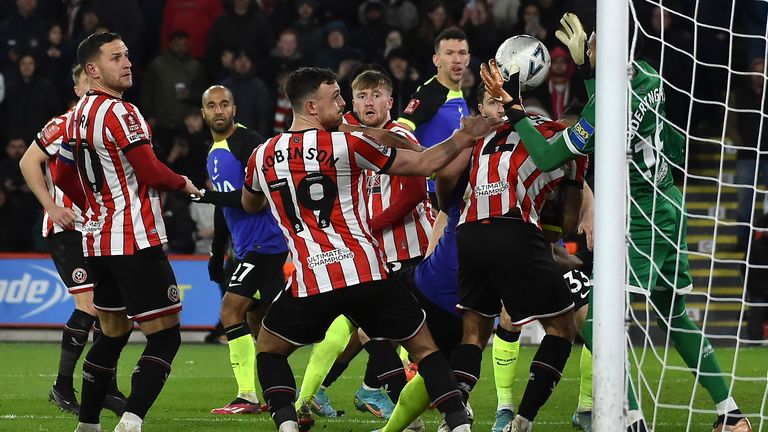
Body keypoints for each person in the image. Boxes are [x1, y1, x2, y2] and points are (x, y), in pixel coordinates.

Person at [505, 13, 752, 432]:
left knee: (598, 322)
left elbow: (548, 157)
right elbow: (655, 131)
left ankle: (632, 420)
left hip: (638, 218)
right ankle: (731, 415)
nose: (590, 45)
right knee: (676, 316)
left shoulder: (609, 106)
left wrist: (515, 112)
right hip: (669, 204)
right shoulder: (649, 76)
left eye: (595, 43)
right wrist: (587, 70)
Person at [241, 66, 501, 432]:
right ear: (313, 106)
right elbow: (425, 163)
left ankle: (286, 423)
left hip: (311, 279)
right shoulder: (347, 145)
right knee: (425, 350)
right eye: (336, 98)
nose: (345, 102)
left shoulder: (261, 155)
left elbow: (249, 203)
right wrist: (464, 136)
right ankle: (458, 423)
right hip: (367, 272)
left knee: (269, 350)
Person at [54, 32, 200, 432]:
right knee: (166, 337)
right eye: (116, 57)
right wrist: (183, 181)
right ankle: (132, 419)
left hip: (97, 241)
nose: (128, 62)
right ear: (92, 69)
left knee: (112, 334)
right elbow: (152, 171)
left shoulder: (76, 115)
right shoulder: (123, 113)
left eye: (128, 54)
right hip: (135, 239)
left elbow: (61, 174)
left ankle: (88, 424)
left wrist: (94, 207)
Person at [294, 69, 432, 422]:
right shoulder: (354, 142)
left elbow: (415, 192)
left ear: (390, 101)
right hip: (379, 255)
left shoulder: (396, 136)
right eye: (361, 96)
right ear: (352, 102)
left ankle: (331, 392)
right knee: (373, 330)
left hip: (411, 252)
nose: (368, 102)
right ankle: (395, 401)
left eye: (376, 95)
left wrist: (372, 225)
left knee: (379, 331)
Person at [19, 64, 126, 416]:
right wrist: (51, 206)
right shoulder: (63, 124)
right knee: (91, 306)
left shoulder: (108, 123)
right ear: (79, 88)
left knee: (112, 311)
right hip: (67, 230)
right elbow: (27, 162)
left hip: (98, 229)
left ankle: (105, 385)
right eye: (87, 84)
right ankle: (62, 385)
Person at [195, 85, 289, 415]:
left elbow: (254, 200)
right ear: (203, 113)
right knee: (257, 319)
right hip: (249, 246)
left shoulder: (249, 144)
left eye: (224, 104)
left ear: (234, 109)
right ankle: (277, 396)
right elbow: (226, 209)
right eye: (211, 105)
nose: (218, 110)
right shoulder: (214, 152)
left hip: (269, 243)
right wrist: (215, 252)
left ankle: (246, 395)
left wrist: (203, 196)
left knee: (229, 311)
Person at [397, 27, 470, 211]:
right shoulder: (430, 94)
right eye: (450, 53)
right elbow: (399, 133)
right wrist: (429, 167)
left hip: (455, 194)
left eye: (462, 53)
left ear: (468, 59)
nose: (457, 59)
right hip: (432, 196)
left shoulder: (458, 94)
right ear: (436, 59)